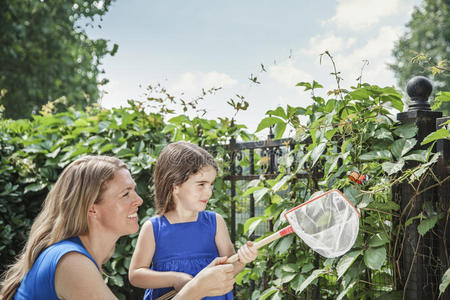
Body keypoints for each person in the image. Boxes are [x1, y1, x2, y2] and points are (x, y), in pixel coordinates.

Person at [0, 155, 235, 300]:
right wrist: (197, 288)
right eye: (125, 194)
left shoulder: (76, 256)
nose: (139, 200)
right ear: (92, 208)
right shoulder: (70, 262)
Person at [128, 141, 258, 300]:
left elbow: (229, 267)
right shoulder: (154, 228)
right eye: (201, 184)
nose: (209, 192)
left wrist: (243, 259)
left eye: (210, 184)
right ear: (174, 185)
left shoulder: (215, 222)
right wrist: (176, 279)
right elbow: (136, 275)